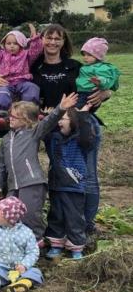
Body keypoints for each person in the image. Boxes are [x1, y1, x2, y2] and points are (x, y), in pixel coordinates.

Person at [28, 24, 112, 234]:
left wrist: (106, 92)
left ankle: (87, 225)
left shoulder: (76, 67)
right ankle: (64, 225)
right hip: (53, 130)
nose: (53, 42)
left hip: (82, 125)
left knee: (87, 175)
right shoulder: (35, 68)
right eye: (49, 37)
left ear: (64, 42)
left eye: (58, 38)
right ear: (42, 40)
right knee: (59, 175)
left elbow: (102, 79)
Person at [0, 92, 78, 242]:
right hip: (14, 186)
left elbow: (48, 122)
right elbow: (1, 165)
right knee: (8, 215)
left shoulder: (32, 133)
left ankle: (37, 243)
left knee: (30, 216)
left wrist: (60, 108)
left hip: (31, 182)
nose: (10, 119)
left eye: (14, 117)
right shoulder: (6, 139)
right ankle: (17, 245)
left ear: (25, 120)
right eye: (10, 116)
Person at [44, 104, 95, 259]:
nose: (60, 122)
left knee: (74, 217)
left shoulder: (80, 141)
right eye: (59, 119)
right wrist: (50, 117)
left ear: (73, 121)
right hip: (56, 185)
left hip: (74, 186)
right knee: (56, 216)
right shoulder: (53, 139)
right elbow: (45, 132)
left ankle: (76, 246)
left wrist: (84, 116)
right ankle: (56, 245)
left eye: (63, 119)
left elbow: (87, 136)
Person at [0, 197, 42, 292]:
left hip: (19, 270)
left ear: (9, 217)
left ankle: (22, 284)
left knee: (35, 272)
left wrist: (24, 265)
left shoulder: (27, 232)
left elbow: (33, 251)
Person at [0, 23, 43, 127]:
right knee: (1, 92)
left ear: (21, 44)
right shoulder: (0, 55)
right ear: (4, 44)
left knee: (32, 88)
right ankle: (2, 115)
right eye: (8, 43)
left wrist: (34, 37)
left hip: (22, 81)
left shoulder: (26, 54)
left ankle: (31, 112)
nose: (12, 46)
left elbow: (36, 50)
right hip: (6, 82)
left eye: (15, 43)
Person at [75, 37, 120, 109]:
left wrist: (100, 81)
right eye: (84, 54)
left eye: (89, 55)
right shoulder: (87, 66)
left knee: (75, 112)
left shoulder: (100, 67)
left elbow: (107, 79)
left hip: (89, 95)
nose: (85, 57)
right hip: (82, 93)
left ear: (98, 56)